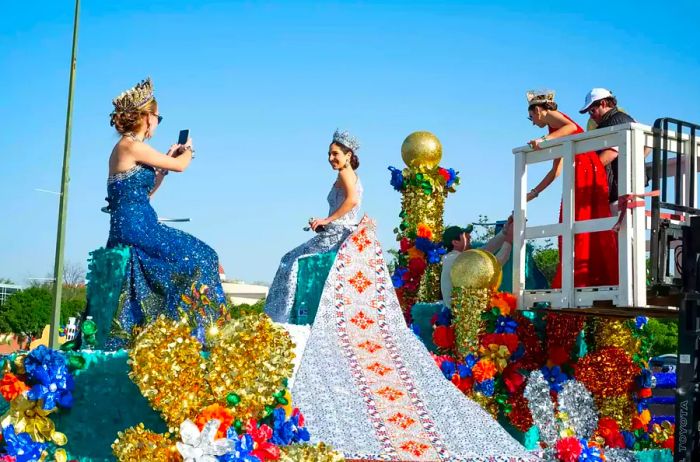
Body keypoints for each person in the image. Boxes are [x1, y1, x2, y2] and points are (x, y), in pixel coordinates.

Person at [98, 77, 226, 349]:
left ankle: (181, 330)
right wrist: (188, 150)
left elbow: (143, 195)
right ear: (146, 117)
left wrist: (162, 171)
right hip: (138, 228)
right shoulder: (131, 145)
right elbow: (182, 165)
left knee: (196, 258)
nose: (157, 122)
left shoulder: (129, 148)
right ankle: (197, 337)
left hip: (136, 222)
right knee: (202, 256)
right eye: (157, 117)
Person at [264, 129, 364, 323]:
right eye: (329, 154)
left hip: (336, 235)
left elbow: (352, 200)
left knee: (289, 260)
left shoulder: (344, 173)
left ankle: (281, 318)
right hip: (338, 232)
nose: (330, 158)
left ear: (348, 155)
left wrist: (327, 221)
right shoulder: (350, 175)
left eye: (335, 153)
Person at [525, 89, 618, 288]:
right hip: (582, 170)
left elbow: (569, 126)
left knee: (582, 217)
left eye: (531, 116)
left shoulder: (551, 117)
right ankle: (580, 277)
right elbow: (555, 171)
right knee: (575, 219)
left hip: (588, 168)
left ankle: (586, 277)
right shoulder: (553, 130)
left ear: (539, 110)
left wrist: (543, 141)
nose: (532, 121)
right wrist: (534, 192)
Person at [579, 88, 637, 208]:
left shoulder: (615, 122)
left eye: (592, 111)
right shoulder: (622, 119)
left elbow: (611, 153)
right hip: (622, 190)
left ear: (604, 104)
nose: (591, 117)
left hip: (619, 193)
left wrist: (585, 173)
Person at [440, 219, 514, 308]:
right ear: (455, 242)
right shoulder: (456, 259)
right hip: (462, 316)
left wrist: (505, 231)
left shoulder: (455, 257)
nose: (469, 237)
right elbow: (493, 266)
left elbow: (486, 250)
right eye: (464, 236)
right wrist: (509, 240)